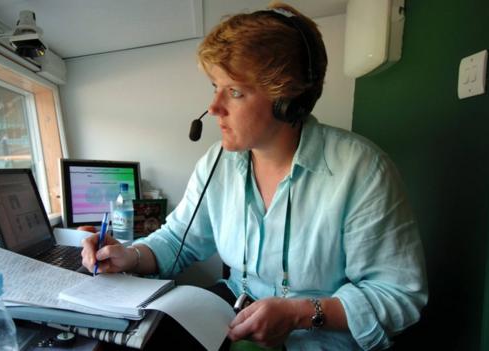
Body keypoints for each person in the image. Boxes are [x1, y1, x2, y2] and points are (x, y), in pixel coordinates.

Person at [81, 2, 427, 350]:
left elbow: (398, 294)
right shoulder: (216, 163)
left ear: (287, 100)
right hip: (232, 315)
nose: (214, 107)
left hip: (320, 337)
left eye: (234, 91)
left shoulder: (361, 170)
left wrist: (298, 314)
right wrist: (131, 255)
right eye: (214, 86)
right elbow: (177, 239)